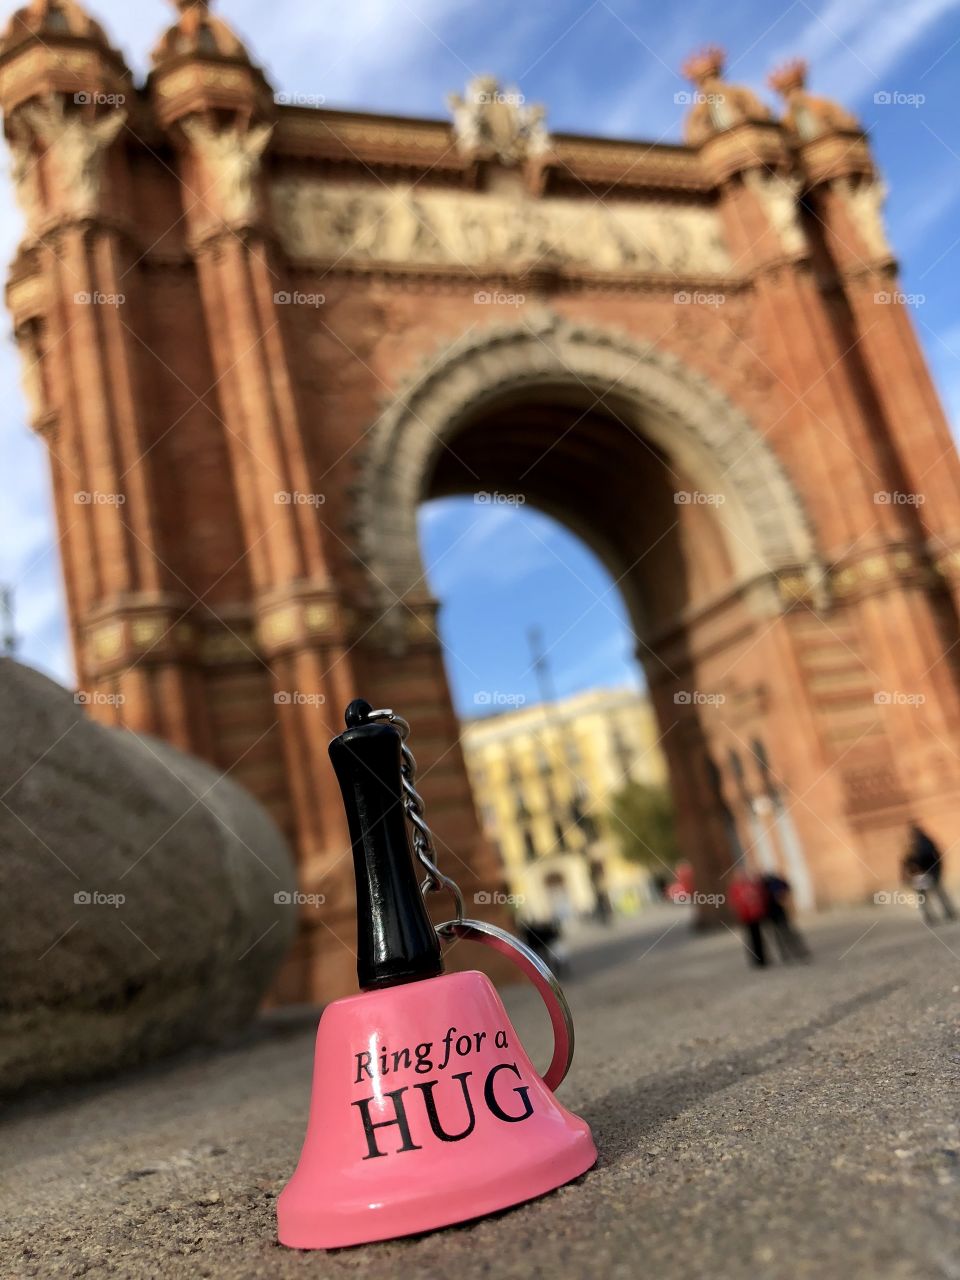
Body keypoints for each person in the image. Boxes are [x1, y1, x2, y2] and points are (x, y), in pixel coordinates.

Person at [902, 823, 957, 924]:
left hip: (926, 873)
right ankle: (939, 915)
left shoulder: (920, 844)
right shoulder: (919, 844)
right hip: (924, 874)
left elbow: (908, 862)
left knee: (928, 896)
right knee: (932, 895)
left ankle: (936, 916)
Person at [761, 872, 810, 962]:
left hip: (777, 914)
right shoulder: (764, 885)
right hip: (774, 914)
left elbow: (786, 888)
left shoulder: (766, 884)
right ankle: (792, 953)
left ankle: (795, 952)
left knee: (786, 934)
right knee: (784, 934)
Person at [729, 870, 769, 968]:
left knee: (760, 938)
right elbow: (735, 901)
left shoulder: (751, 885)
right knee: (751, 939)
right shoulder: (736, 888)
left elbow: (761, 896)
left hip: (756, 915)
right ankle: (756, 960)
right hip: (746, 916)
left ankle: (764, 959)